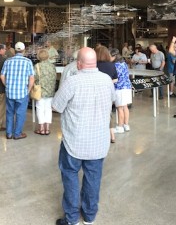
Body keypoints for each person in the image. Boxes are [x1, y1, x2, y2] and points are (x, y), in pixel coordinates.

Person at [52, 47, 116, 225]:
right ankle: (89, 216)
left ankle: (72, 218)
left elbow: (57, 106)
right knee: (93, 177)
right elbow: (113, 101)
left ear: (79, 63)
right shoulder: (107, 80)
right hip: (98, 141)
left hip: (74, 141)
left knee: (70, 176)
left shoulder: (72, 82)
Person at [0, 42, 35, 140]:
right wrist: (28, 90)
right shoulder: (28, 61)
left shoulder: (8, 61)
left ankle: (9, 133)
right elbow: (31, 78)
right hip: (22, 92)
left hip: (10, 92)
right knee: (20, 113)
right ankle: (17, 134)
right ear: (23, 50)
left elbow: (2, 75)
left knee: (10, 112)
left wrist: (7, 85)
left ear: (15, 50)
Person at [33, 49, 56, 135]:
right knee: (48, 109)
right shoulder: (52, 66)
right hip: (50, 91)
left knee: (40, 108)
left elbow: (34, 78)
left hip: (40, 91)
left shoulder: (37, 66)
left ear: (39, 57)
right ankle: (47, 128)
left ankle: (41, 128)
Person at [113, 49, 132, 134]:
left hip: (119, 88)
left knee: (119, 108)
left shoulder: (115, 65)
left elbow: (116, 78)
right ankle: (126, 125)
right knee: (125, 107)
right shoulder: (124, 63)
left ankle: (120, 126)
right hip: (127, 87)